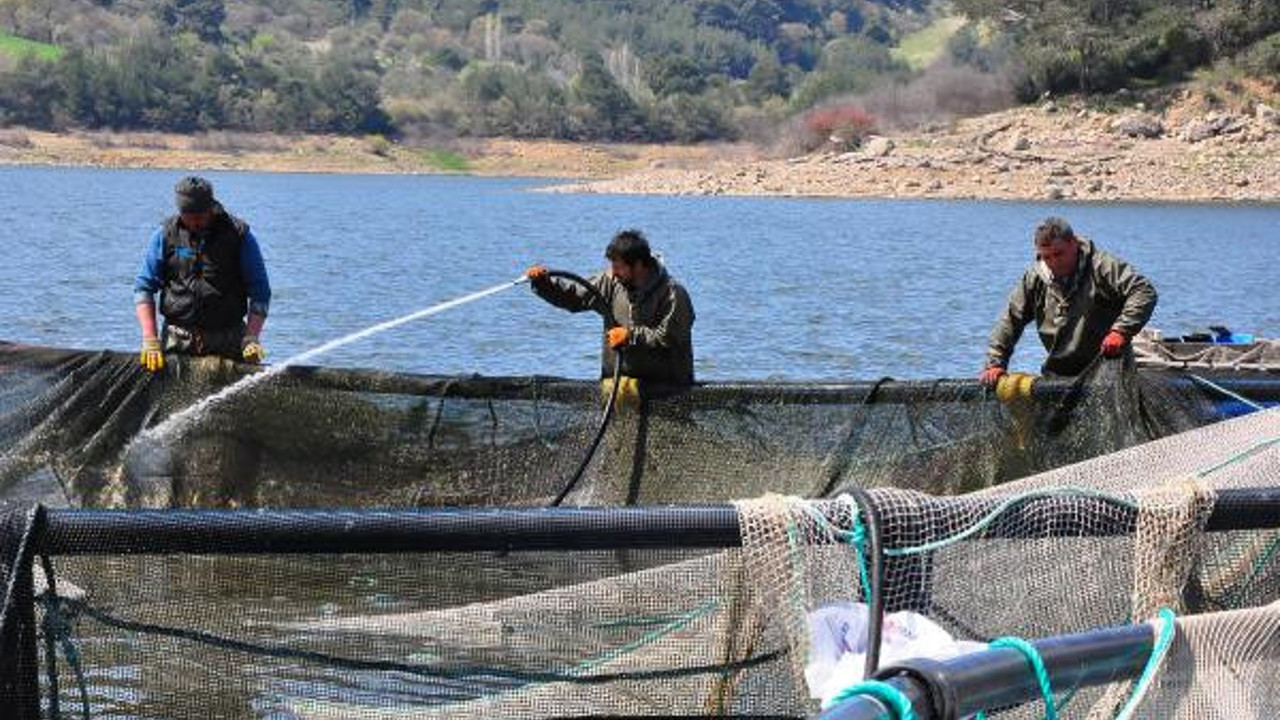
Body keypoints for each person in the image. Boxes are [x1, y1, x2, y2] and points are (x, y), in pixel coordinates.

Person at [981, 217, 1157, 383]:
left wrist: (1121, 331)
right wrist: (995, 363)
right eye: (1046, 257)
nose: (1054, 262)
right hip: (1058, 374)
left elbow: (1143, 291)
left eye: (1059, 254)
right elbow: (1010, 319)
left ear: (1074, 243)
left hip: (1110, 370)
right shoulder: (1034, 278)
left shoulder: (1101, 266)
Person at [134, 176, 271, 372]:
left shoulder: (239, 235)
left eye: (200, 216)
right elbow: (144, 289)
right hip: (177, 339)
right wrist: (150, 339)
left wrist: (251, 338)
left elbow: (261, 292)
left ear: (211, 209)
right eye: (188, 217)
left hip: (229, 340)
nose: (195, 222)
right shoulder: (165, 235)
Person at [526, 229, 695, 386]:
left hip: (667, 390)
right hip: (616, 387)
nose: (613, 273)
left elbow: (670, 338)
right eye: (612, 266)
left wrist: (630, 336)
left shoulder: (673, 294)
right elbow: (572, 297)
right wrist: (543, 284)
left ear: (638, 265)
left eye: (619, 267)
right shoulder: (609, 282)